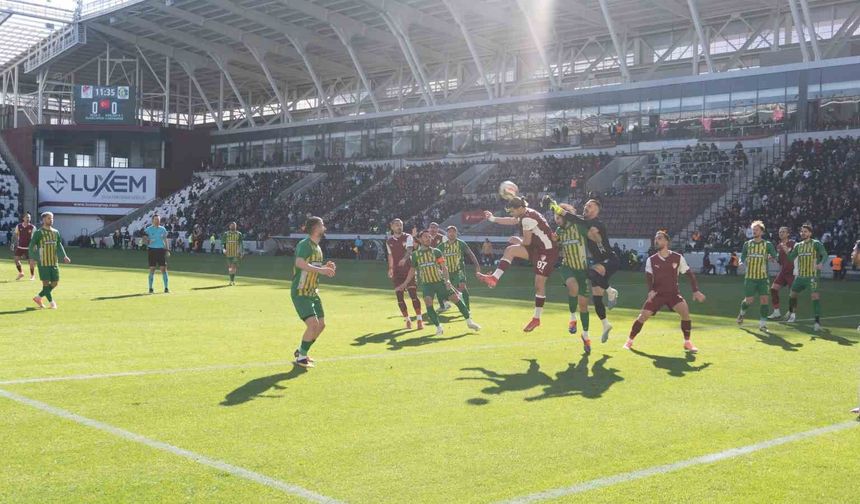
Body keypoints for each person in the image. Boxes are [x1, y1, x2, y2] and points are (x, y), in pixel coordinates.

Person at [477, 197, 559, 332]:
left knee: (539, 285)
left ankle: (536, 319)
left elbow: (526, 242)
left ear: (520, 208)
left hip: (547, 251)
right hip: (537, 248)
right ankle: (494, 278)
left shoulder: (527, 218)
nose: (511, 214)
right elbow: (511, 221)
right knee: (510, 250)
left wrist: (517, 239)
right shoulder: (525, 213)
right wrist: (493, 219)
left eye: (512, 211)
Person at [545, 196, 618, 343]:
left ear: (596, 210)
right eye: (585, 205)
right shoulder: (582, 223)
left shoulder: (597, 223)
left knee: (590, 273)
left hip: (610, 259)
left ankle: (611, 291)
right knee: (597, 298)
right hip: (599, 262)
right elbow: (572, 219)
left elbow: (583, 227)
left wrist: (556, 206)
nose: (586, 207)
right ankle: (605, 325)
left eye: (590, 206)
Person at [623, 230, 706, 353]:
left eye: (660, 238)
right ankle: (629, 341)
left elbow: (690, 274)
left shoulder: (677, 257)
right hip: (657, 294)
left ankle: (687, 342)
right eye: (656, 239)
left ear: (667, 241)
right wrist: (650, 291)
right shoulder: (651, 260)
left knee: (685, 314)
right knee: (642, 316)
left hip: (673, 294)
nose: (657, 240)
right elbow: (648, 276)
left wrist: (696, 291)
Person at [396, 229, 480, 335]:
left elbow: (444, 267)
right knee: (428, 303)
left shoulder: (436, 252)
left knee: (456, 299)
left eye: (429, 237)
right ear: (420, 239)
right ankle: (439, 327)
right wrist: (405, 284)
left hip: (440, 282)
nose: (428, 238)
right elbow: (412, 270)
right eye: (426, 237)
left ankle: (469, 322)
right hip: (427, 285)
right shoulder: (416, 255)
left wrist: (447, 280)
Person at [291, 216, 337, 368]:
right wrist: (322, 270)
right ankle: (301, 358)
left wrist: (325, 266)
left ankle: (301, 352)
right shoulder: (305, 244)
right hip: (301, 291)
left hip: (312, 292)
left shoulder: (317, 247)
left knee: (321, 325)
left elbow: (312, 267)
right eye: (322, 225)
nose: (324, 227)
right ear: (315, 228)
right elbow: (300, 263)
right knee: (313, 324)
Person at [553, 211, 592, 354]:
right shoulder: (559, 231)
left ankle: (586, 336)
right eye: (555, 219)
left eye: (558, 217)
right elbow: (554, 245)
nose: (557, 221)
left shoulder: (578, 227)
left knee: (583, 306)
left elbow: (590, 234)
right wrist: (554, 241)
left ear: (565, 216)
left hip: (582, 270)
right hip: (567, 267)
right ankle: (572, 318)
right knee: (573, 288)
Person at [736, 221, 778, 331]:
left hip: (763, 278)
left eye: (757, 229)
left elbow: (775, 255)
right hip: (750, 277)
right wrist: (741, 262)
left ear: (762, 231)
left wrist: (772, 258)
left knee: (764, 300)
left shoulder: (767, 244)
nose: (754, 231)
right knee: (749, 300)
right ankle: (741, 314)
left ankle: (762, 324)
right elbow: (743, 256)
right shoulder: (747, 244)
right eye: (753, 229)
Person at [786, 224, 828, 330]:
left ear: (810, 233)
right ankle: (792, 315)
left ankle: (817, 322)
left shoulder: (816, 244)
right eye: (802, 231)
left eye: (805, 231)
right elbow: (791, 258)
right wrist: (787, 252)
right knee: (792, 295)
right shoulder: (798, 245)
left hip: (812, 277)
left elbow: (825, 254)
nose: (803, 233)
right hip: (800, 277)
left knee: (815, 297)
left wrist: (821, 263)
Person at [28, 212, 71, 309]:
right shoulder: (39, 233)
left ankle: (38, 297)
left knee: (55, 283)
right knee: (46, 284)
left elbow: (59, 244)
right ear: (43, 220)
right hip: (43, 262)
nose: (51, 220)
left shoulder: (56, 232)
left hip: (54, 261)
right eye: (49, 218)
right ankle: (52, 303)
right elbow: (31, 246)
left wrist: (64, 256)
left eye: (52, 218)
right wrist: (35, 258)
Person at [386, 218, 423, 329]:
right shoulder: (389, 241)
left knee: (413, 295)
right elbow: (390, 255)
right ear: (392, 227)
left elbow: (410, 250)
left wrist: (404, 259)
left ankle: (419, 319)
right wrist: (391, 268)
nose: (399, 227)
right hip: (397, 272)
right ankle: (407, 320)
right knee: (399, 297)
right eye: (396, 225)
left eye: (400, 225)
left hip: (408, 269)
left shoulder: (408, 237)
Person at [441, 226, 481, 312]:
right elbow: (435, 256)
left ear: (456, 233)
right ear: (447, 234)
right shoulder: (442, 246)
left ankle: (467, 309)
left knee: (462, 286)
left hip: (459, 270)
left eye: (454, 232)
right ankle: (446, 302)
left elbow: (471, 254)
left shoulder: (461, 243)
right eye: (450, 232)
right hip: (447, 272)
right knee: (448, 291)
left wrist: (477, 266)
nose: (452, 233)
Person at [768, 226, 796, 320]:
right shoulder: (779, 246)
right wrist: (772, 258)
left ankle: (792, 314)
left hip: (792, 272)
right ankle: (776, 312)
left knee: (793, 294)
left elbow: (793, 256)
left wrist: (787, 251)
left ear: (788, 234)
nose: (781, 233)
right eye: (780, 232)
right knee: (773, 289)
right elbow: (780, 260)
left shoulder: (792, 243)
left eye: (783, 232)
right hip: (783, 272)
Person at [143, 215, 170, 294]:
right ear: (152, 220)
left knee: (163, 269)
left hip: (161, 250)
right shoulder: (148, 229)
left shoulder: (163, 229)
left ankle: (166, 288)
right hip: (152, 250)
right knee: (152, 269)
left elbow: (165, 240)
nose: (157, 221)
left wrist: (167, 250)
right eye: (156, 219)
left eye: (158, 219)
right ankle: (150, 288)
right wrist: (148, 242)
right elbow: (143, 239)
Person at [428, 222, 451, 312]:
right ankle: (444, 303)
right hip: (431, 266)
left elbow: (447, 250)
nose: (433, 229)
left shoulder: (443, 238)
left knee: (441, 284)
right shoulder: (426, 238)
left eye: (434, 228)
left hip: (441, 264)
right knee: (437, 285)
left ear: (438, 229)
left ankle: (445, 303)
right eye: (431, 227)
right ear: (429, 228)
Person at [12, 212, 36, 281]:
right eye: (27, 217)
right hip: (20, 247)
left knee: (31, 262)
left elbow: (35, 238)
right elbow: (15, 235)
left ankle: (32, 275)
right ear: (23, 218)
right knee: (16, 259)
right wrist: (13, 243)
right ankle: (21, 273)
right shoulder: (18, 226)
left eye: (29, 217)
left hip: (29, 247)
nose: (28, 219)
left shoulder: (32, 227)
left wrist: (35, 245)